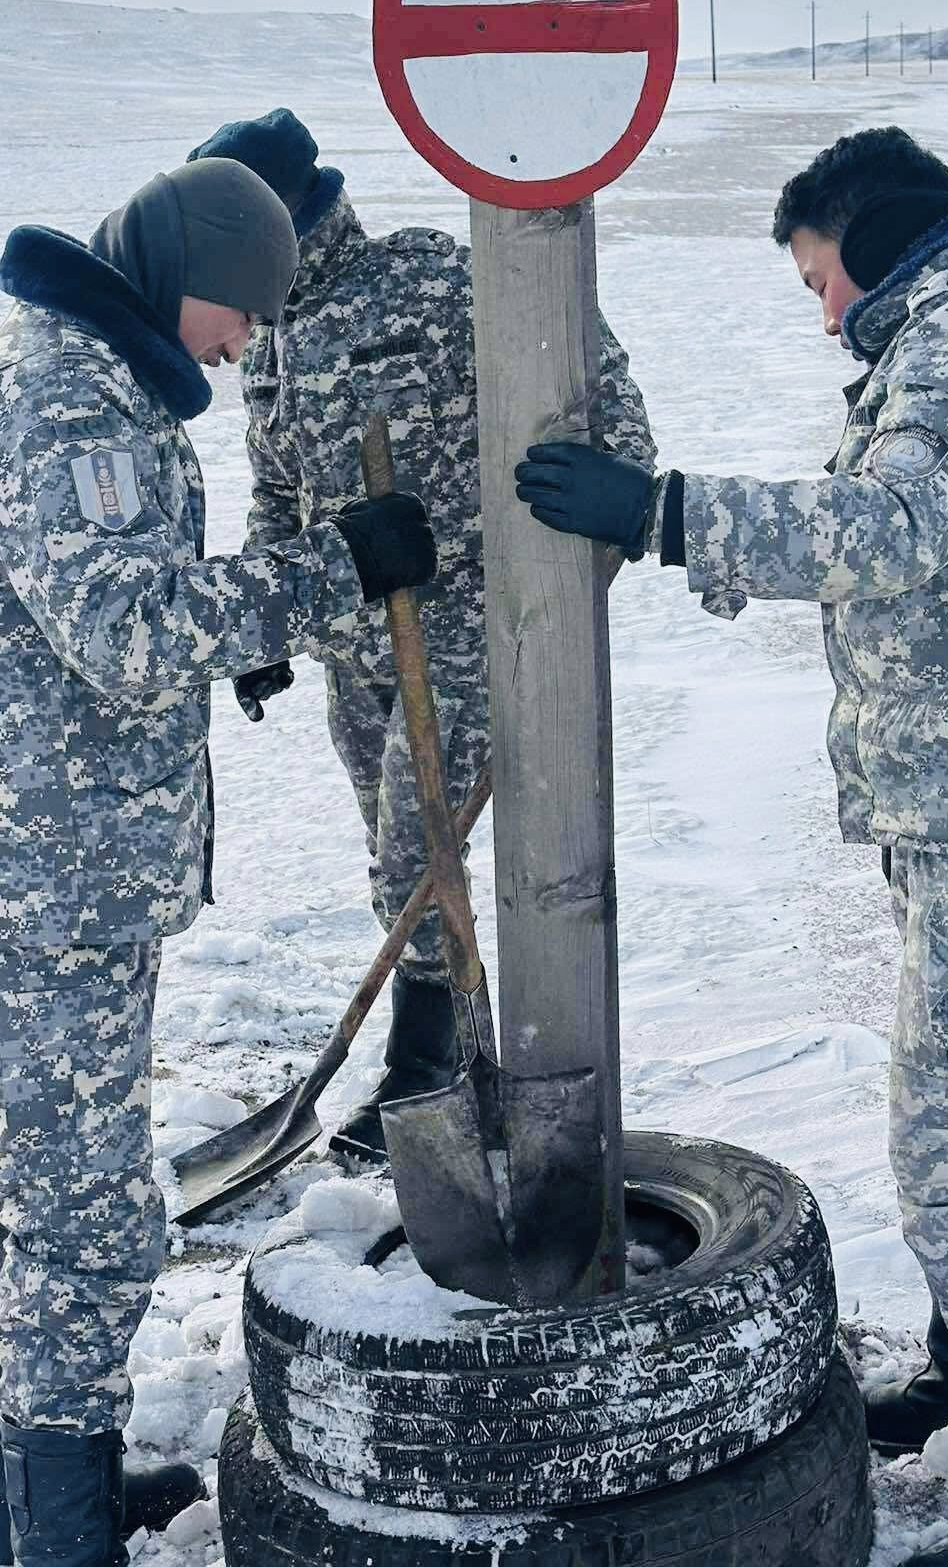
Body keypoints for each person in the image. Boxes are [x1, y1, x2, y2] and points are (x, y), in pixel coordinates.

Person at [514, 127, 948, 1567]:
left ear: (866, 239)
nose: (820, 312)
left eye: (816, 278)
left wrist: (669, 515)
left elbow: (892, 527)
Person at [0, 158, 436, 1567]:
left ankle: (22, 1512)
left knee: (14, 1192)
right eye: (237, 312)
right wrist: (328, 570)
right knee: (82, 1230)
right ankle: (53, 1533)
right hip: (40, 891)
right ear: (174, 267)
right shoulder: (64, 396)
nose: (245, 342)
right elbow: (133, 634)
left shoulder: (86, 370)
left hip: (39, 876)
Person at [186, 110, 656, 1157]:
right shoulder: (269, 338)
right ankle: (456, 1061)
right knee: (397, 862)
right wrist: (266, 621)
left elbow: (598, 400)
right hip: (358, 648)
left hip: (471, 625)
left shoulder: (435, 278)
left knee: (415, 850)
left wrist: (582, 551)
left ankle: (419, 1071)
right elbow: (280, 491)